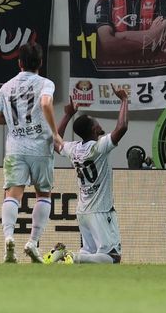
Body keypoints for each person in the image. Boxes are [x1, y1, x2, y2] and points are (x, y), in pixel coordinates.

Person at [0, 43, 63, 263]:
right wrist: (55, 132)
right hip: (40, 146)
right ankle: (33, 241)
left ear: (19, 63)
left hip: (15, 149)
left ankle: (8, 238)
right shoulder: (45, 83)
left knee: (13, 195)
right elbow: (45, 102)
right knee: (43, 194)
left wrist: (15, 122)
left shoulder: (6, 87)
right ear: (40, 63)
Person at [44, 85, 128, 264]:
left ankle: (62, 253)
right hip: (101, 209)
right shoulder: (99, 147)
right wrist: (124, 101)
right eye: (96, 122)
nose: (99, 124)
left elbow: (55, 141)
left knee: (89, 253)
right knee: (113, 256)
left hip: (83, 211)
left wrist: (67, 115)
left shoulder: (73, 149)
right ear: (94, 130)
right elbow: (122, 127)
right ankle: (70, 256)